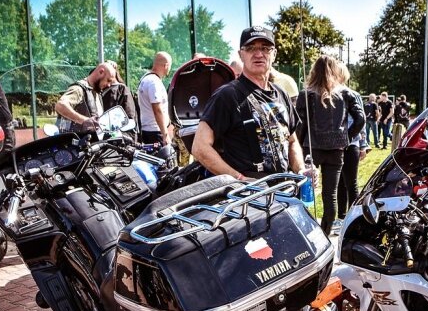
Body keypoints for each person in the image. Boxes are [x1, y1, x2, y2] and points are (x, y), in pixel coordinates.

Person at [191, 25, 308, 181]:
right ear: (241, 54)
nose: (258, 54)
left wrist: (301, 170)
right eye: (251, 48)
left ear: (274, 54)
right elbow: (200, 147)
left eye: (265, 48)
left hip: (284, 190)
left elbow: (292, 141)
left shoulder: (282, 94)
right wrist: (239, 179)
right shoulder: (227, 95)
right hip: (248, 197)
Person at [295, 55, 365, 236]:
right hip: (335, 150)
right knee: (330, 195)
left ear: (314, 71)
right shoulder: (346, 94)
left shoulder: (306, 94)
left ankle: (304, 229)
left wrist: (298, 147)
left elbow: (300, 125)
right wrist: (346, 138)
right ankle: (324, 234)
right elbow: (361, 119)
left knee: (302, 189)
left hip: (311, 148)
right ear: (334, 71)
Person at [335, 62, 368, 233]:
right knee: (339, 183)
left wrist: (363, 146)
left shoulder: (353, 95)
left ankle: (353, 219)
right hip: (334, 146)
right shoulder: (329, 95)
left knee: (351, 183)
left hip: (351, 145)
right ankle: (341, 218)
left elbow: (361, 122)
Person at [54, 62, 113, 133]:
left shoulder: (97, 92)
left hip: (92, 142)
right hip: (72, 141)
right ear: (101, 72)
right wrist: (84, 120)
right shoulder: (78, 89)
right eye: (108, 80)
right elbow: (60, 105)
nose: (109, 85)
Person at [137, 52, 172, 145]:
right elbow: (157, 109)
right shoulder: (154, 82)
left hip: (148, 130)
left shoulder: (145, 79)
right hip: (156, 132)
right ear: (166, 65)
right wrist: (165, 134)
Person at [101, 62, 137, 138]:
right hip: (103, 134)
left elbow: (130, 117)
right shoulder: (100, 90)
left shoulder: (122, 89)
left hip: (121, 136)